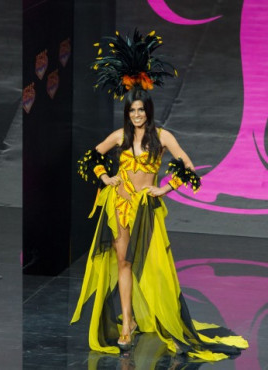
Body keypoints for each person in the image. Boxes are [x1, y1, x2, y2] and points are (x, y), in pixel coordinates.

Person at [71, 30, 247, 360]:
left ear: (148, 110)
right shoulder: (119, 136)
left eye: (141, 110)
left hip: (146, 208)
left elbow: (188, 167)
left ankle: (162, 317)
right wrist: (105, 176)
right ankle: (128, 323)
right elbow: (90, 157)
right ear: (127, 112)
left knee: (151, 265)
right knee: (123, 262)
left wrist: (164, 187)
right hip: (120, 205)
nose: (137, 115)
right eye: (132, 111)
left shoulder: (162, 136)